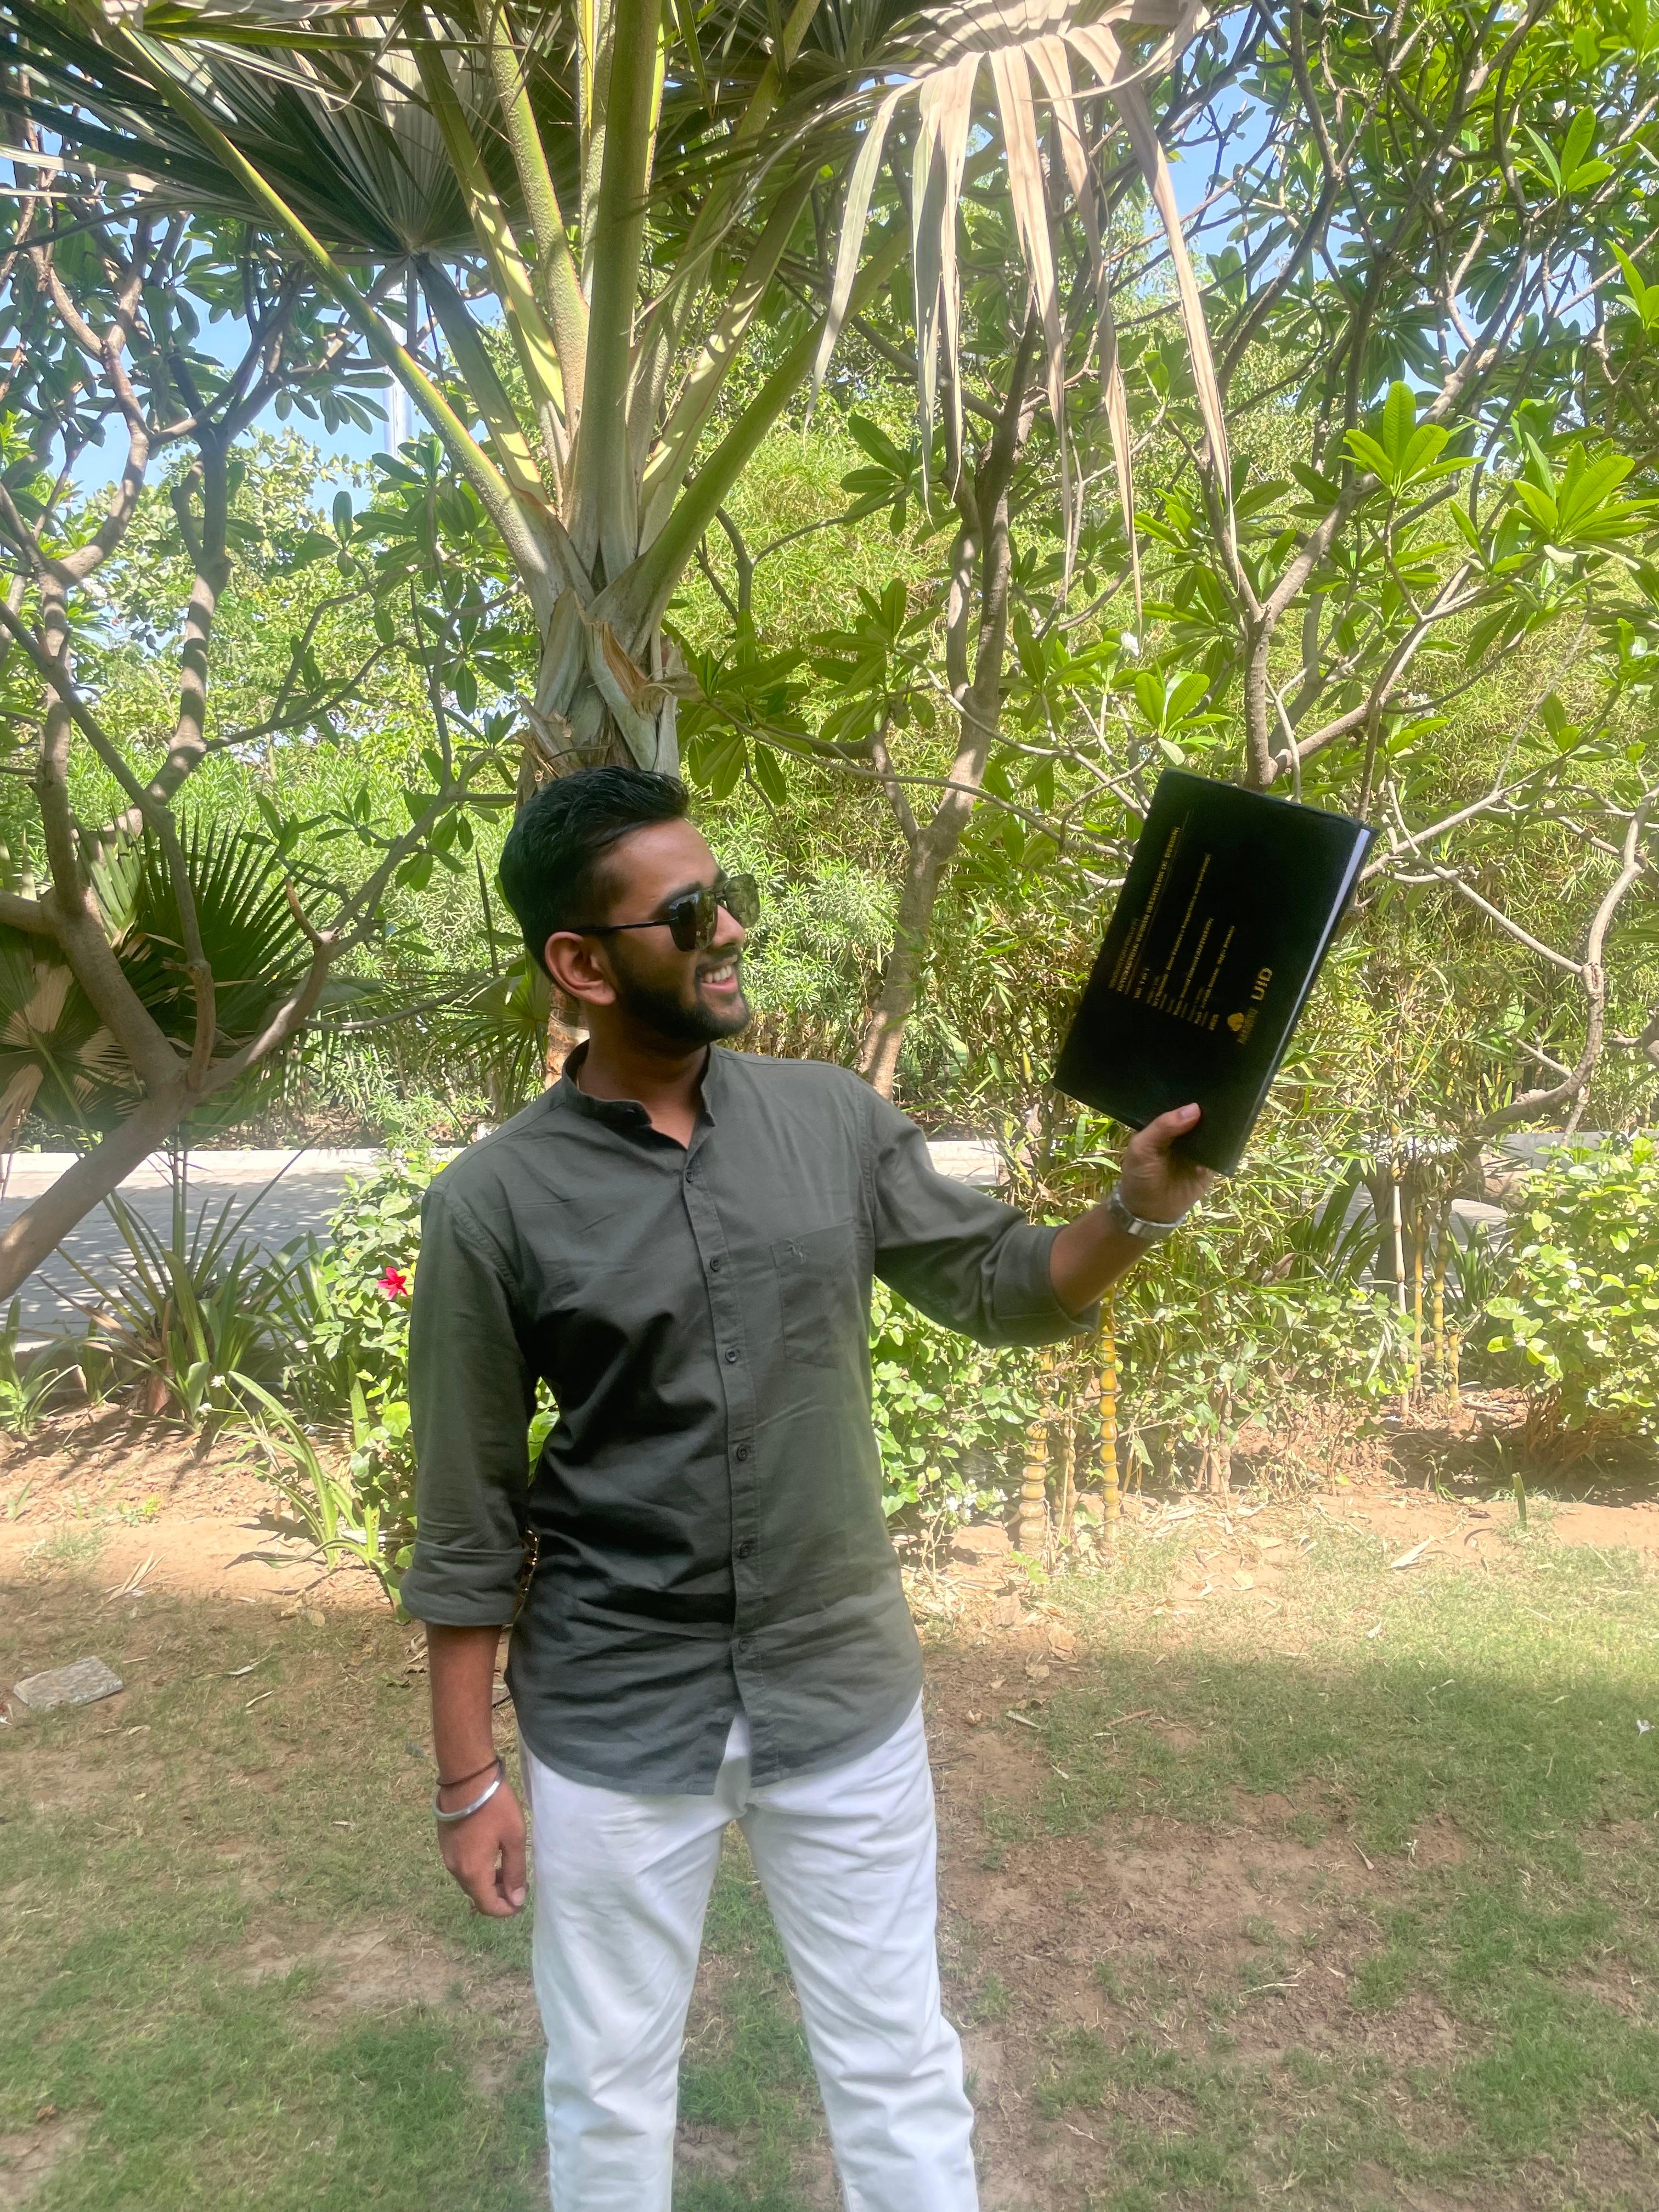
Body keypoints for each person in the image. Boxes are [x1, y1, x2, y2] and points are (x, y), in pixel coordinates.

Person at [402, 765, 1212, 2211]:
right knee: (607, 2085)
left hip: (839, 1693)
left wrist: (1135, 1207)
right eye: (688, 914)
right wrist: (470, 1783)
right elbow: (468, 1519)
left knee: (898, 2062)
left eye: (730, 899)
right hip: (616, 1709)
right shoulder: (492, 1206)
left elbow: (1003, 1281)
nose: (729, 932)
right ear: (581, 964)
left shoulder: (831, 1120)